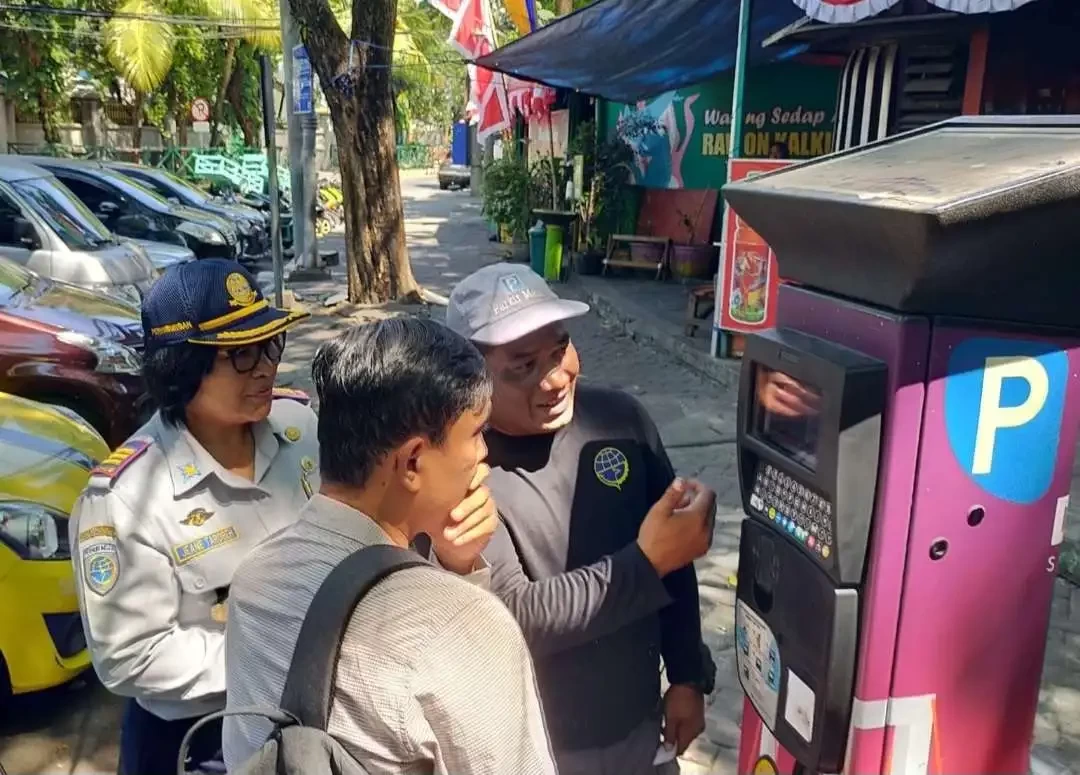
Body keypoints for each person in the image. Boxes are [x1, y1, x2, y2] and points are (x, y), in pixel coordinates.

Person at [222, 318, 557, 775]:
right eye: (476, 432)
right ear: (413, 461)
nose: (484, 455)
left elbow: (246, 753)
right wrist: (462, 594)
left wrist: (456, 569)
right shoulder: (460, 626)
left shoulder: (255, 580)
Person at [444, 263, 718, 775]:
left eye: (560, 349)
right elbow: (513, 618)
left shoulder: (620, 422)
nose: (554, 379)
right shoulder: (463, 468)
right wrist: (645, 562)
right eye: (522, 366)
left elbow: (675, 565)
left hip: (641, 731)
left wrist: (687, 676)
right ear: (470, 379)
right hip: (537, 752)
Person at [69, 259, 319, 775]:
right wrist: (280, 653)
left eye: (271, 344)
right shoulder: (124, 499)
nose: (268, 366)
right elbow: (130, 655)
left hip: (308, 721)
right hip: (197, 743)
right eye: (242, 355)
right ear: (181, 369)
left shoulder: (302, 427)